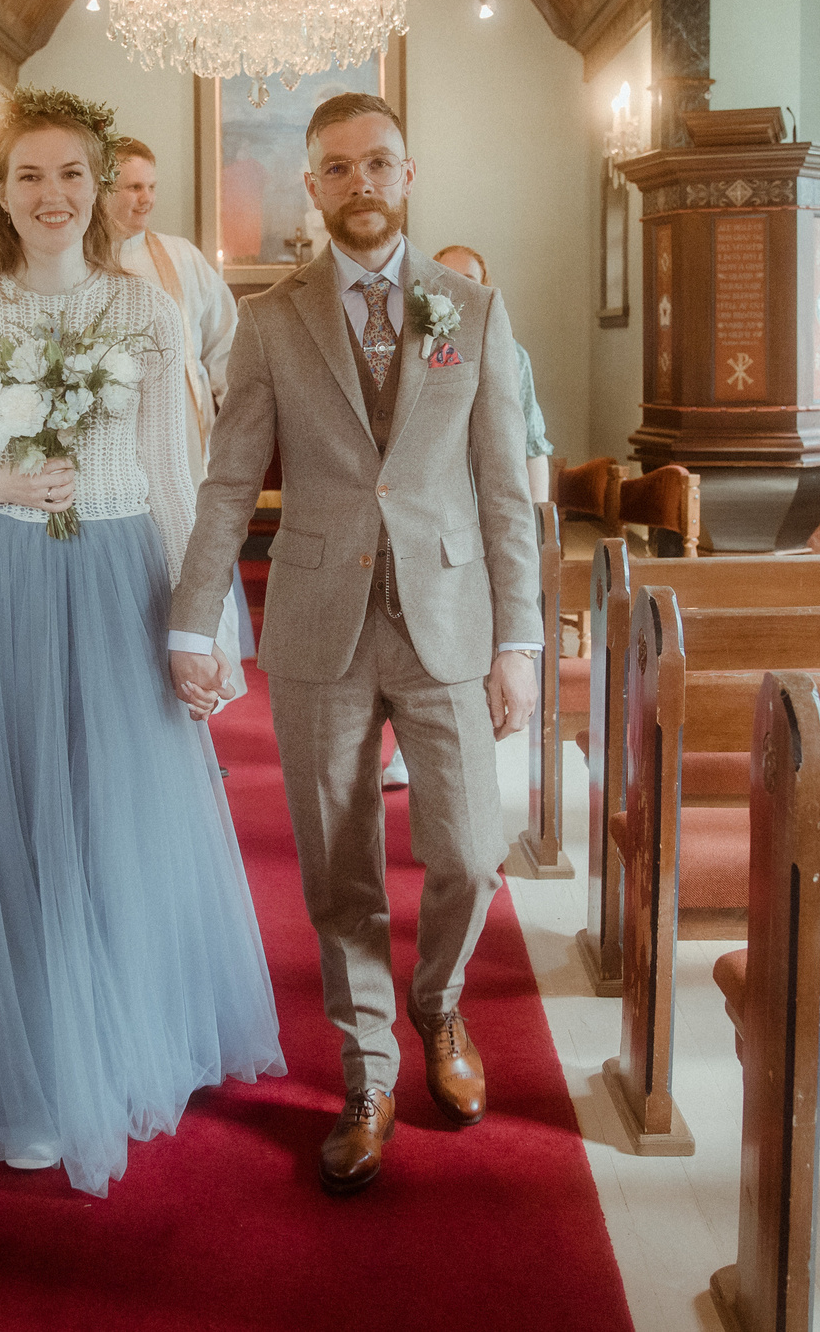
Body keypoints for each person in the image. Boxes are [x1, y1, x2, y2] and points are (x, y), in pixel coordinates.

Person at [0, 87, 283, 1197]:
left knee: (110, 822)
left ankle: (105, 1051)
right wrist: (2, 481)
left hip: (116, 580)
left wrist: (199, 624)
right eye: (28, 176)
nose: (51, 195)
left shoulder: (147, 312)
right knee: (7, 825)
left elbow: (171, 479)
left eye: (70, 174)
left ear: (100, 187)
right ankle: (18, 1079)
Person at [164, 92, 541, 1195]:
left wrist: (519, 640)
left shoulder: (471, 310)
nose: (359, 183)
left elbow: (502, 493)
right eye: (337, 168)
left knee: (469, 852)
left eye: (378, 163)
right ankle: (368, 1069)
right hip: (320, 624)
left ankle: (438, 1003)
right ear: (313, 188)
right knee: (338, 872)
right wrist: (197, 616)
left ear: (408, 175)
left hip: (449, 623)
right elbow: (231, 478)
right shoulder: (273, 320)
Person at [106, 136, 254, 696]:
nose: (145, 200)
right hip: (116, 441)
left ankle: (207, 689)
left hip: (186, 438)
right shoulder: (82, 257)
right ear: (103, 190)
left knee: (193, 551)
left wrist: (236, 411)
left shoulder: (181, 256)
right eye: (131, 187)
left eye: (150, 187)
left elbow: (225, 342)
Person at [433, 245, 554, 504]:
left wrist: (537, 529)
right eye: (447, 279)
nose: (457, 290)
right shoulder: (415, 351)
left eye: (468, 281)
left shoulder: (512, 355)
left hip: (493, 501)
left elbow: (532, 447)